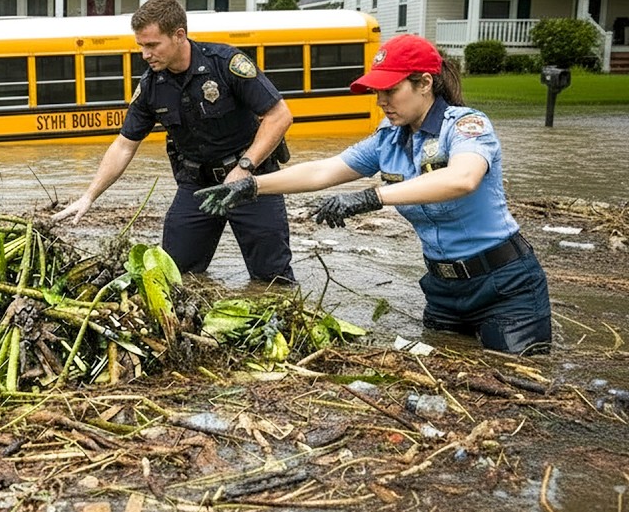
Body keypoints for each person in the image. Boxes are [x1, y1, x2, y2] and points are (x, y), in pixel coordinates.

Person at [196, 34, 551, 355]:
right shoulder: (389, 140)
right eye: (377, 91)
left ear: (425, 82)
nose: (381, 100)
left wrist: (372, 197)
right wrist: (250, 186)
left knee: (514, 385)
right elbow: (324, 170)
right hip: (443, 292)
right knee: (446, 375)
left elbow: (462, 178)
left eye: (390, 90)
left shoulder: (464, 126)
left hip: (505, 287)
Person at [53, 0, 296, 282]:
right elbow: (124, 145)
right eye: (141, 46)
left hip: (251, 180)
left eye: (152, 45)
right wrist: (88, 196)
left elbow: (279, 115)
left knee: (272, 279)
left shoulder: (226, 64)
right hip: (198, 184)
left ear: (179, 35)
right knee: (174, 274)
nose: (145, 54)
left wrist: (244, 168)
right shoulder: (152, 86)